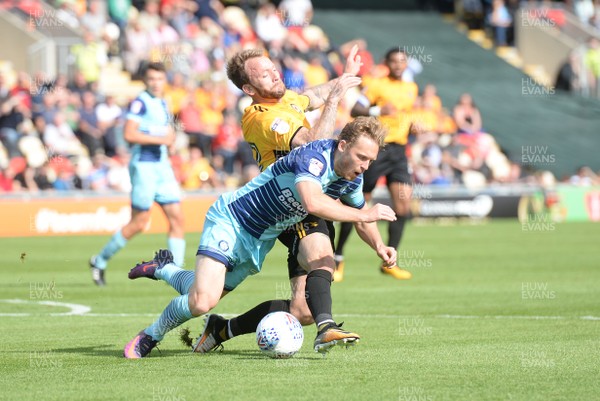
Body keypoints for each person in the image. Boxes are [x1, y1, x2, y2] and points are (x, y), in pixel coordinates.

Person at [123, 117, 397, 358]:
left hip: (258, 241)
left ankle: (163, 268)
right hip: (232, 220)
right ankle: (151, 334)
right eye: (362, 157)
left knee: (201, 291)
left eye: (370, 160)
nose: (365, 166)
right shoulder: (314, 157)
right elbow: (313, 203)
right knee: (201, 302)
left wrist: (379, 245)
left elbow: (362, 212)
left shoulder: (351, 179)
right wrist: (364, 216)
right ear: (343, 145)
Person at [182, 48, 362, 352]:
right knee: (322, 256)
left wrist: (344, 77)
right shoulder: (262, 119)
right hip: (291, 203)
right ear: (249, 89)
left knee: (301, 310)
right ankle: (327, 327)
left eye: (273, 68)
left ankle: (222, 329)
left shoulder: (287, 100)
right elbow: (315, 146)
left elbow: (313, 94)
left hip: (306, 196)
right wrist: (335, 100)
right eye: (264, 73)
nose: (275, 73)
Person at [88, 62, 185, 286]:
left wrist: (169, 145)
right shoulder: (140, 102)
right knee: (139, 223)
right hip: (144, 167)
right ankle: (99, 260)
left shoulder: (163, 102)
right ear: (145, 80)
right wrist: (162, 139)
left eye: (159, 79)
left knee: (177, 218)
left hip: (162, 166)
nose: (156, 83)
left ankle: (176, 274)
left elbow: (165, 132)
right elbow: (130, 133)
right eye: (151, 79)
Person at [334, 47, 419, 282]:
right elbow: (355, 109)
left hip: (399, 151)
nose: (399, 65)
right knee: (358, 205)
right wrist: (379, 109)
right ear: (387, 63)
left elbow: (406, 116)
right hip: (377, 150)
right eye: (395, 61)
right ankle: (338, 258)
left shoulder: (411, 88)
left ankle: (390, 261)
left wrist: (412, 127)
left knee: (403, 206)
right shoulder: (377, 84)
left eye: (403, 61)